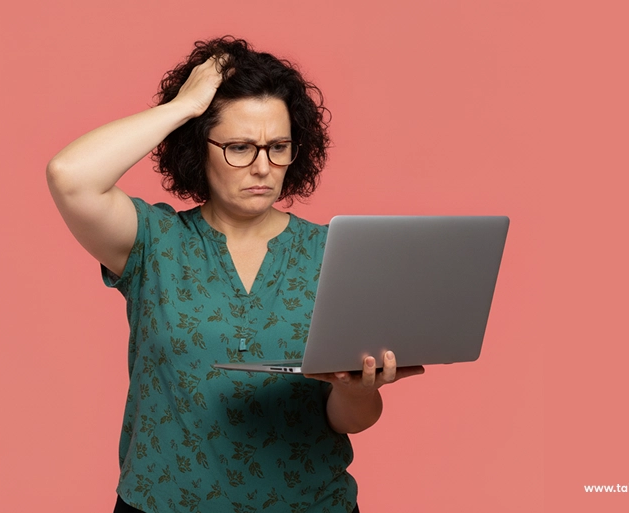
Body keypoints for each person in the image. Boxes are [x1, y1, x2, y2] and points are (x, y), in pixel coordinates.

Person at [46, 36, 424, 513]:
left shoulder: (336, 254)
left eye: (279, 147)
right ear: (197, 148)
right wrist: (186, 105)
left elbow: (348, 420)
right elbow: (70, 175)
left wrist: (357, 389)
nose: (263, 167)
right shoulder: (153, 242)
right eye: (240, 147)